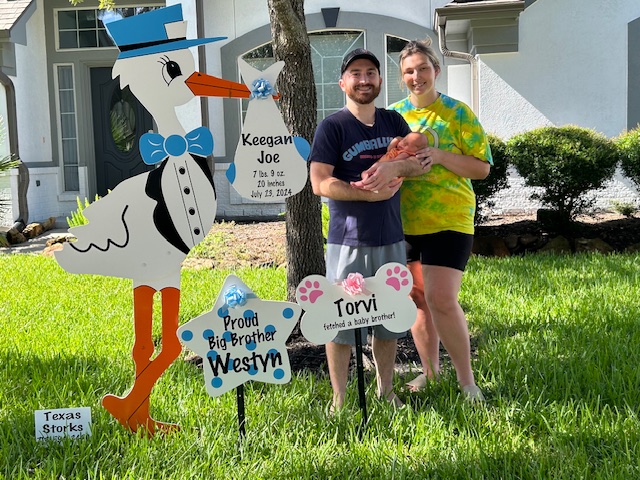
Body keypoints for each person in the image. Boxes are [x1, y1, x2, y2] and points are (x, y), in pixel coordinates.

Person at [355, 38, 492, 402]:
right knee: (418, 300)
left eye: (423, 69)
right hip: (403, 221)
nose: (417, 76)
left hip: (450, 219)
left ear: (436, 71)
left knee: (441, 298)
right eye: (409, 71)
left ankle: (467, 382)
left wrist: (441, 156)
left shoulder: (457, 114)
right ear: (402, 77)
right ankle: (430, 373)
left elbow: (481, 168)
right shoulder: (393, 116)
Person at [309, 48, 425, 412]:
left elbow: (421, 165)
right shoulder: (333, 126)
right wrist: (367, 197)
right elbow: (319, 183)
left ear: (379, 80)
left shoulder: (394, 122)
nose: (363, 79)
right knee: (340, 322)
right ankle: (340, 398)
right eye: (355, 73)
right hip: (348, 240)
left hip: (391, 236)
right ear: (343, 82)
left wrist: (393, 170)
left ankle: (385, 390)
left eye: (371, 72)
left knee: (388, 319)